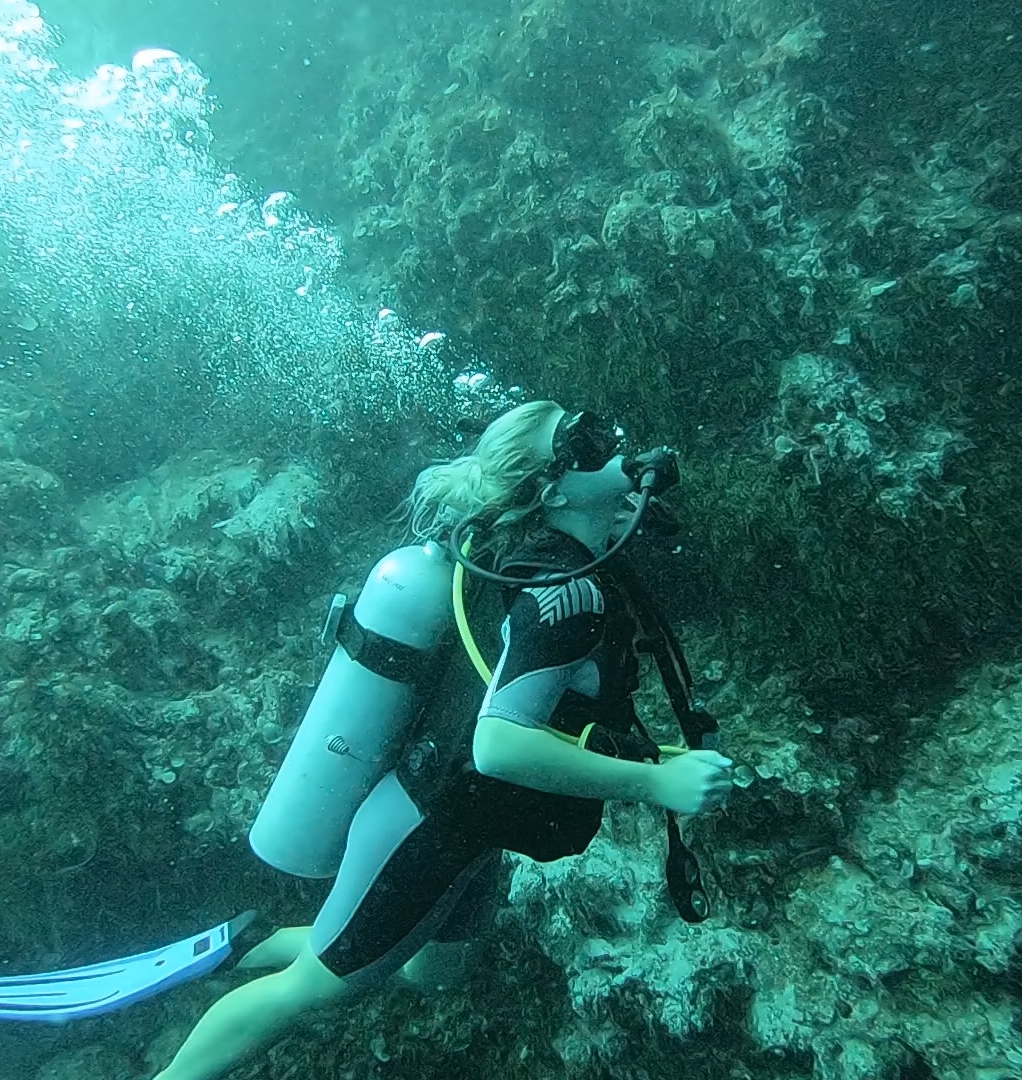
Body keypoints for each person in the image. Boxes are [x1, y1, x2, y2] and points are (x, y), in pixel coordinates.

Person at [150, 400, 735, 1080]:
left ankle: (274, 940)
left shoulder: (550, 560)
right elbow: (499, 746)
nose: (612, 444)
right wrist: (655, 782)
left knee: (435, 972)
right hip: (428, 824)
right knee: (316, 989)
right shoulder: (565, 591)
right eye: (585, 442)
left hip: (474, 824)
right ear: (552, 490)